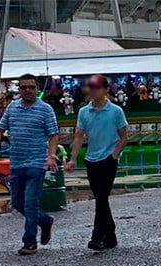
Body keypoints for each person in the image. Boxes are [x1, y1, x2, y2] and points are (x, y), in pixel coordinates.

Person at [0, 73, 59, 256]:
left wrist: (51, 156)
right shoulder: (12, 108)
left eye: (31, 87)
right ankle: (44, 221)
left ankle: (29, 242)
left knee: (30, 202)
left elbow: (53, 135)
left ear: (37, 89)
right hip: (17, 162)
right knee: (18, 202)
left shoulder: (45, 110)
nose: (27, 90)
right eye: (23, 87)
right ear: (18, 90)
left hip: (36, 163)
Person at [67, 74, 129, 251]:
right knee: (101, 199)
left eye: (97, 88)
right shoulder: (84, 112)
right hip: (92, 159)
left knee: (101, 197)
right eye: (91, 88)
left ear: (105, 90)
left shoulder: (116, 111)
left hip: (108, 158)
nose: (93, 91)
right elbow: (79, 135)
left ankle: (97, 236)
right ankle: (111, 234)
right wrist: (73, 158)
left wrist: (115, 154)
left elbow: (124, 136)